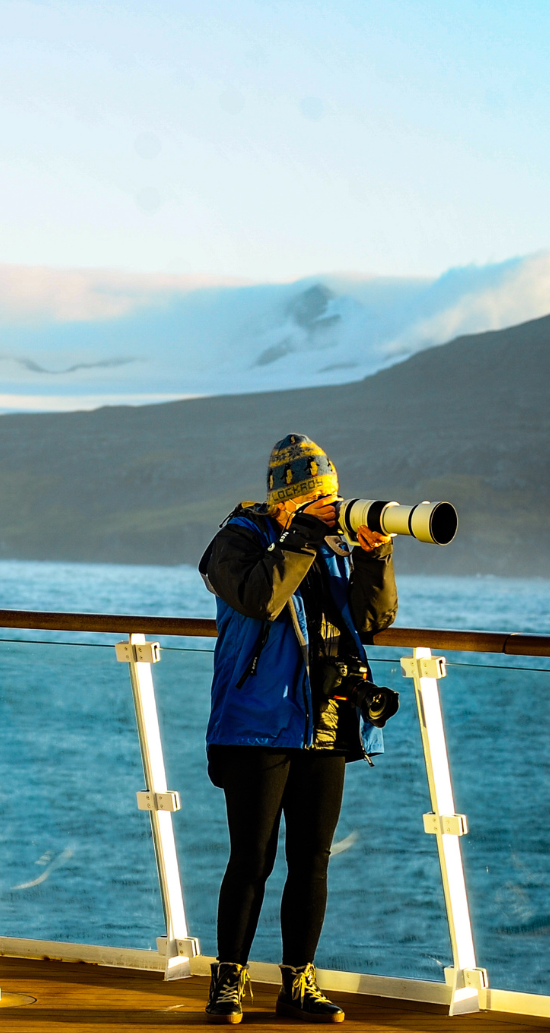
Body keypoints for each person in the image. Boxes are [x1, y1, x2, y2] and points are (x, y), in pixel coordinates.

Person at [196, 434, 399, 1024]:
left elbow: (372, 619)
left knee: (312, 858)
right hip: (256, 725)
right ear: (286, 501)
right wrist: (303, 539)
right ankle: (228, 981)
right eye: (317, 500)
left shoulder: (331, 544)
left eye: (332, 500)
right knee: (251, 859)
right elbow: (262, 597)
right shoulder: (235, 542)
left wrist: (373, 555)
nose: (329, 509)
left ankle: (298, 983)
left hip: (326, 717)